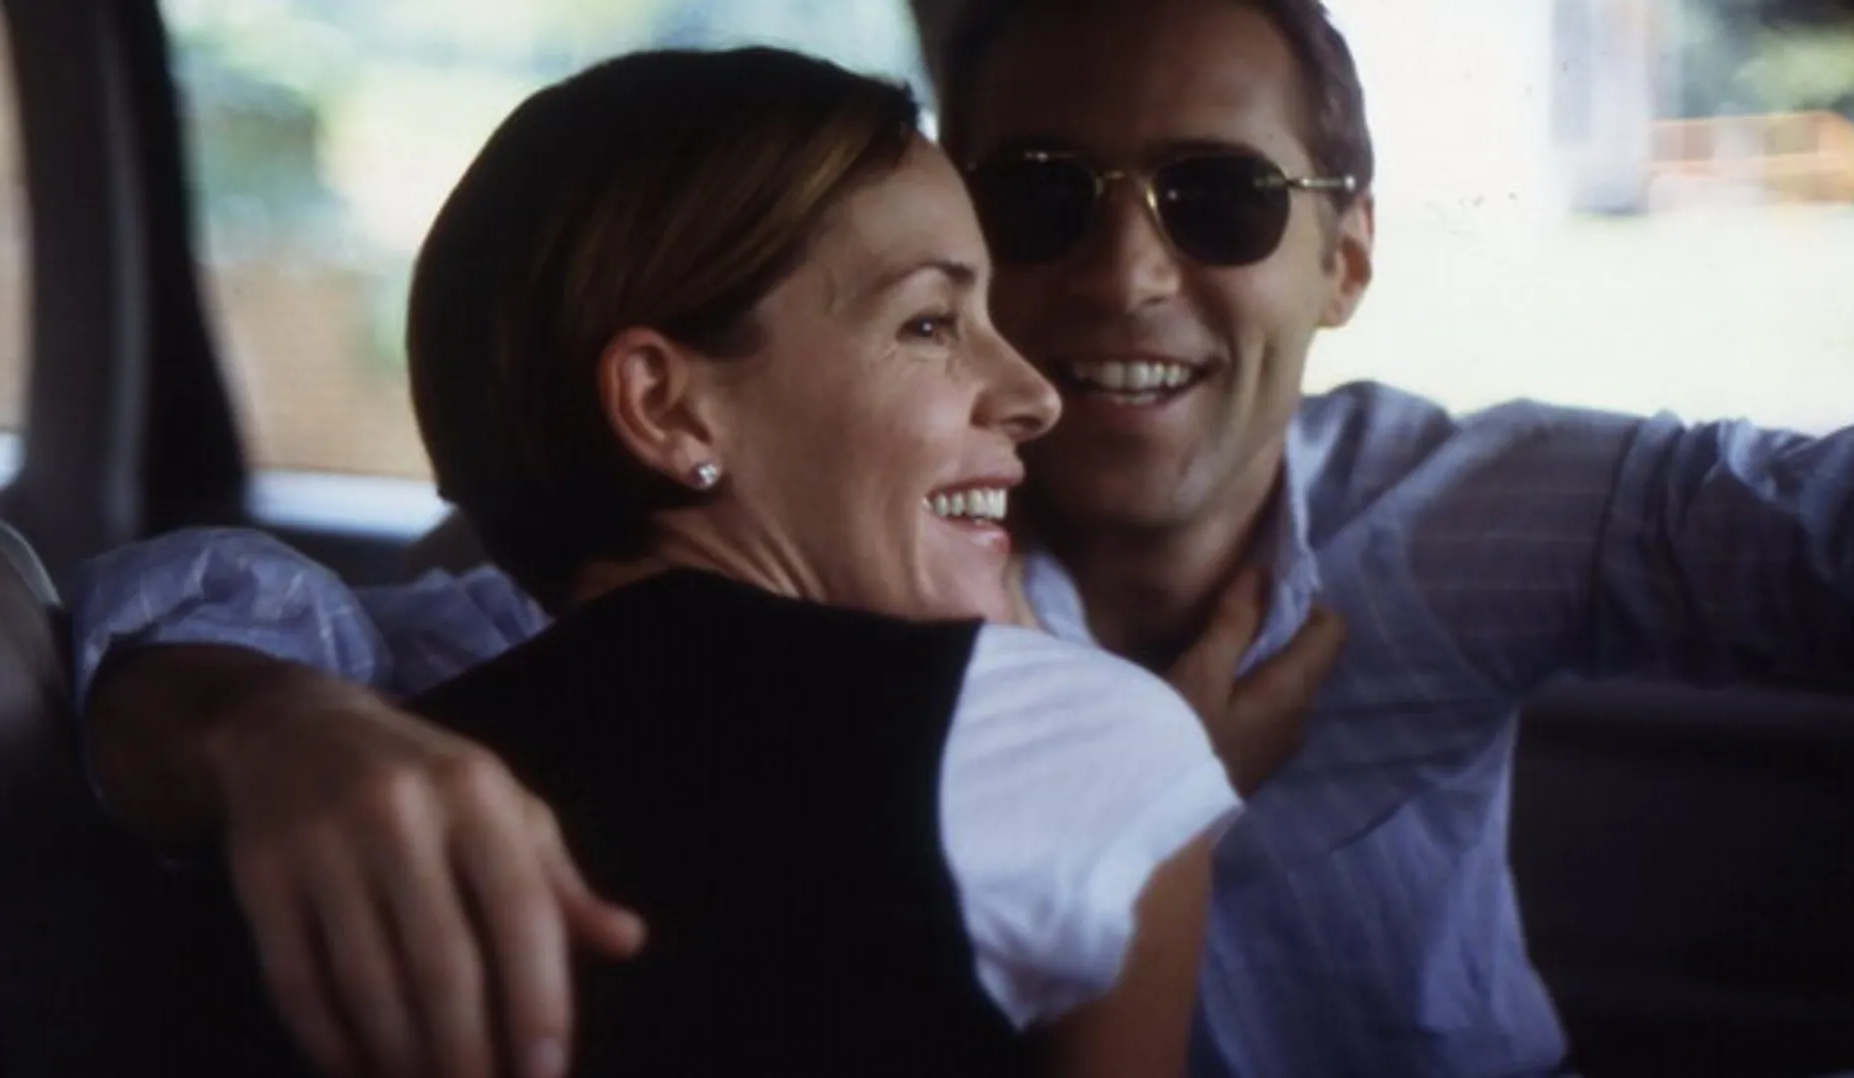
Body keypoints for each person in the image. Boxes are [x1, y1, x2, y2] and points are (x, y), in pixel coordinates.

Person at [71, 0, 1854, 1075]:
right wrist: (263, 725)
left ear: (1345, 254)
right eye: (1034, 202)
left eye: (1219, 196)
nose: (1120, 275)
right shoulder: (776, 544)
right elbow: (278, 615)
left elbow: (1848, 535)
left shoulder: (1486, 508)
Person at [74, 40, 1269, 1078]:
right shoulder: (1082, 749)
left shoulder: (342, 778)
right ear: (665, 404)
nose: (1032, 395)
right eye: (927, 324)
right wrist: (1142, 790)